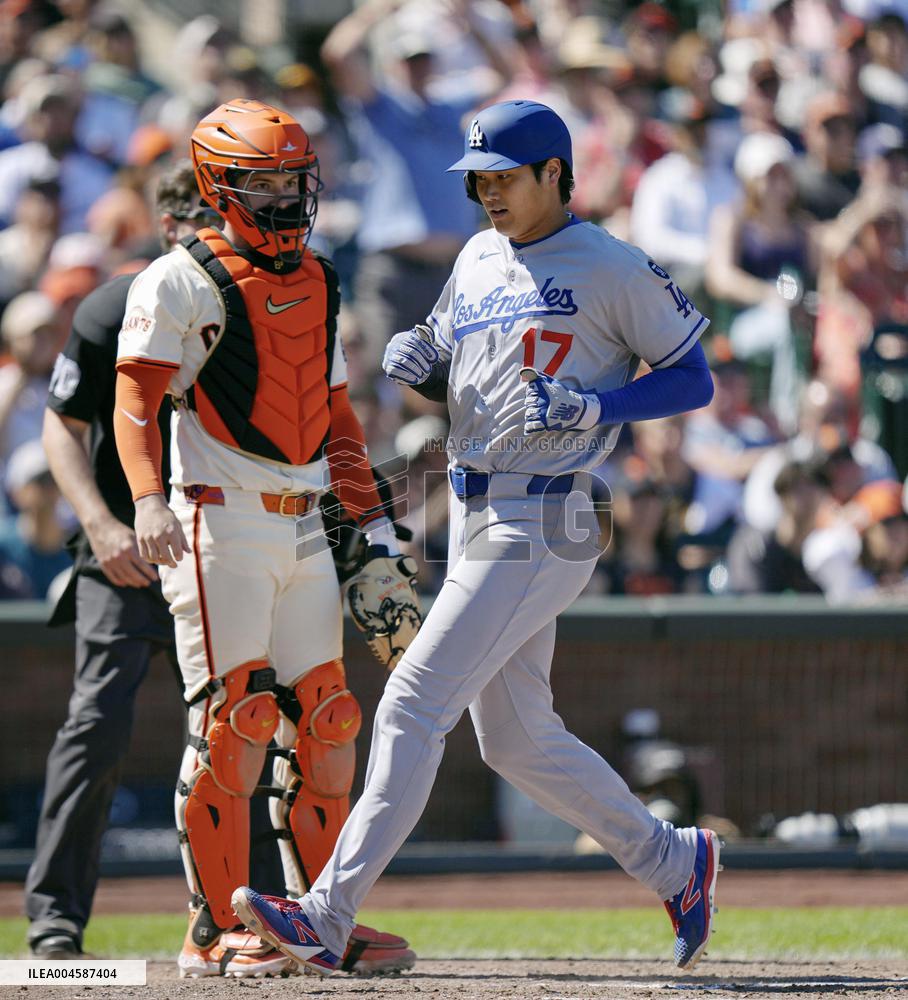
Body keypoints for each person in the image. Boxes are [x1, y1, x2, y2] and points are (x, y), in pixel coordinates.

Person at [233, 99, 721, 974]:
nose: (486, 192)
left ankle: (326, 913)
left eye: (503, 176)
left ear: (555, 175)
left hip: (548, 511)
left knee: (415, 699)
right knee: (517, 739)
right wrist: (425, 369)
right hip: (474, 508)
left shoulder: (611, 264)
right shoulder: (476, 255)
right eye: (478, 178)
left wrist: (599, 403)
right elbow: (453, 371)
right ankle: (674, 861)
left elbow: (693, 378)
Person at [111, 100, 417, 978]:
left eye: (292, 179)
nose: (284, 195)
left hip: (305, 520)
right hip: (217, 513)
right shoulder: (175, 279)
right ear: (219, 186)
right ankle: (212, 929)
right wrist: (144, 501)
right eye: (264, 181)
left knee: (328, 722)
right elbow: (134, 403)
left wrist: (373, 524)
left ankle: (318, 917)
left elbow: (335, 415)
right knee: (234, 720)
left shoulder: (320, 277)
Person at [24, 160, 212, 962]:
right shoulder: (111, 305)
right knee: (98, 720)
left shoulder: (261, 307)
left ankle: (255, 912)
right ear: (169, 228)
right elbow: (58, 426)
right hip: (124, 551)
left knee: (244, 727)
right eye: (204, 220)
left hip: (217, 549)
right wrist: (100, 524)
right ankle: (54, 917)